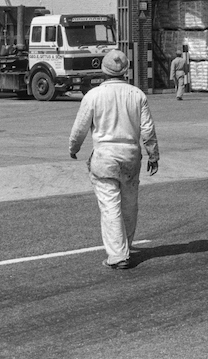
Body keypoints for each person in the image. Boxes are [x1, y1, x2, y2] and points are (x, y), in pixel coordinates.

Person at [69, 50, 160, 270]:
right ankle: (125, 247)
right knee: (130, 205)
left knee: (110, 206)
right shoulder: (137, 95)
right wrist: (153, 154)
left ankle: (118, 255)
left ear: (103, 70)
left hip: (104, 156)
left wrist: (74, 147)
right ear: (126, 70)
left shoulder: (93, 95)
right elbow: (147, 129)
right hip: (131, 155)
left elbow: (80, 127)